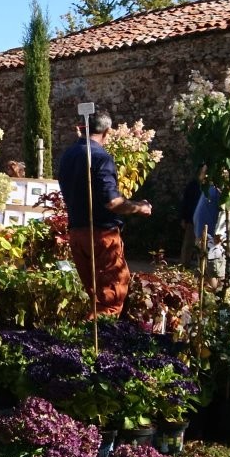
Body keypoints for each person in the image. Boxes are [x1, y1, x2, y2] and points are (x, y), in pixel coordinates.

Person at [55, 112, 151, 318]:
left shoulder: (68, 155)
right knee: (110, 297)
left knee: (95, 296)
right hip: (101, 235)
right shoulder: (100, 157)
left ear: (81, 129)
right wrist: (139, 207)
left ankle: (87, 342)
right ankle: (102, 345)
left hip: (77, 232)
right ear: (107, 132)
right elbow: (113, 202)